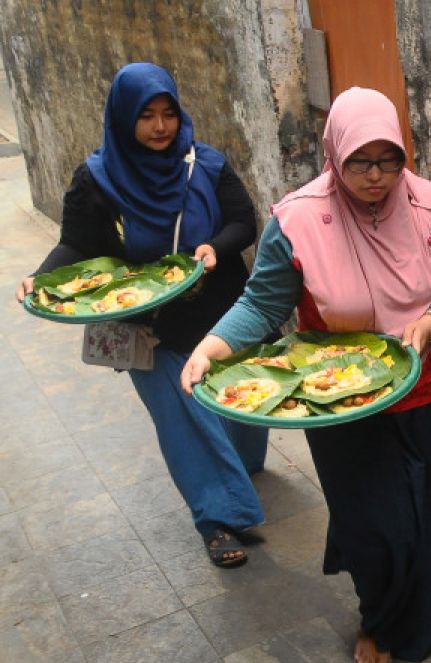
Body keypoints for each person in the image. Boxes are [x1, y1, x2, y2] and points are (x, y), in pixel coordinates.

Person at [181, 87, 431, 663]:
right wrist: (212, 347)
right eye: (359, 162)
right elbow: (262, 303)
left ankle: (426, 607)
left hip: (429, 388)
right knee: (376, 521)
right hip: (339, 399)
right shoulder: (299, 220)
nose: (376, 176)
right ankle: (379, 620)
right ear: (332, 154)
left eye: (389, 159)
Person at [15, 62, 268, 569]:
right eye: (146, 116)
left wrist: (214, 248)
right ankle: (218, 517)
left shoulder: (207, 165)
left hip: (220, 310)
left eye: (168, 114)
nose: (159, 127)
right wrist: (41, 278)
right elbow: (76, 243)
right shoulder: (98, 180)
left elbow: (243, 220)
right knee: (183, 413)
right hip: (146, 323)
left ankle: (240, 470)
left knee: (240, 400)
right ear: (122, 119)